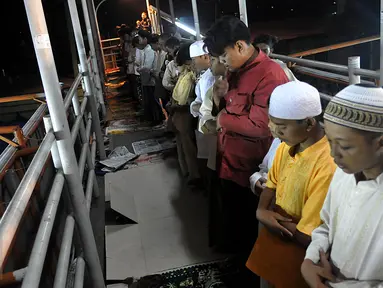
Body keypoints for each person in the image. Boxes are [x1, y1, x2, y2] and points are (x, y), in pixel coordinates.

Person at [203, 16, 289, 259]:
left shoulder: (270, 74)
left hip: (250, 169)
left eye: (224, 57)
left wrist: (221, 119)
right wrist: (220, 99)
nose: (223, 63)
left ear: (240, 46)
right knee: (233, 224)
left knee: (249, 234)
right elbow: (231, 107)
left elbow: (260, 125)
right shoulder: (237, 71)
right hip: (229, 162)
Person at [246, 81, 337, 288]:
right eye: (272, 123)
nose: (274, 131)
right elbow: (272, 184)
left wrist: (270, 218)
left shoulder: (327, 163)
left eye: (282, 126)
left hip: (302, 252)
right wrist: (261, 210)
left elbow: (308, 236)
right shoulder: (286, 147)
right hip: (275, 238)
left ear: (308, 123)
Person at [301, 84, 383, 288]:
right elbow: (326, 225)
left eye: (345, 146)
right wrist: (311, 261)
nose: (333, 155)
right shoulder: (344, 174)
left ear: (380, 143)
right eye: (330, 142)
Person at [169, 43, 201, 186]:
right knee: (183, 144)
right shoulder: (185, 74)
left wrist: (177, 105)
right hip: (179, 112)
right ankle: (187, 171)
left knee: (188, 145)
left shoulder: (192, 76)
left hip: (184, 113)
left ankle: (194, 174)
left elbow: (186, 98)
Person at [189, 41, 216, 174]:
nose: (193, 64)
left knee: (211, 162)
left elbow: (207, 105)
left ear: (205, 57)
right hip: (206, 124)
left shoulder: (210, 78)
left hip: (211, 126)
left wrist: (196, 107)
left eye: (194, 60)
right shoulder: (205, 76)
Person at [137, 30, 162, 125]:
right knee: (150, 99)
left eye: (140, 38)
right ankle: (154, 118)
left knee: (153, 100)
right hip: (148, 78)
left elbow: (148, 66)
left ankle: (157, 119)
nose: (139, 40)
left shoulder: (150, 50)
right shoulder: (147, 49)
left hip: (151, 79)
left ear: (145, 39)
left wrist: (141, 69)